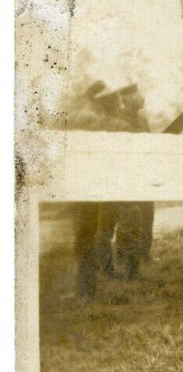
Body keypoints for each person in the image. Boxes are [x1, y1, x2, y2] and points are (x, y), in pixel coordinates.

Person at [66, 80, 131, 297]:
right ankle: (95, 281)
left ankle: (86, 288)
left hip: (85, 185)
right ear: (111, 103)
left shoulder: (91, 123)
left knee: (88, 234)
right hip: (106, 186)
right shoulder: (116, 125)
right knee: (101, 231)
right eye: (116, 100)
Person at [113, 83, 155, 279]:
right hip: (127, 175)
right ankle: (123, 256)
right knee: (128, 218)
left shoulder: (142, 119)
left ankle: (144, 254)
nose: (141, 98)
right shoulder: (119, 120)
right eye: (137, 96)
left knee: (147, 214)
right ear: (127, 100)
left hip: (145, 173)